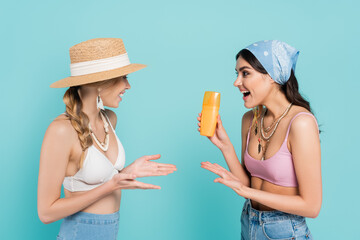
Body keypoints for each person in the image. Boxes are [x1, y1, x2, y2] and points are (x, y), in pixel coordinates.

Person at [38, 38, 177, 239]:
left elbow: (107, 179)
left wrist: (128, 172)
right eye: (124, 77)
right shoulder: (61, 131)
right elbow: (46, 212)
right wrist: (111, 186)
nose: (128, 86)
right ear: (100, 84)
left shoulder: (109, 119)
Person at [198, 40, 321, 239]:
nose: (236, 82)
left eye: (245, 73)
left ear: (272, 76)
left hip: (285, 229)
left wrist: (247, 192)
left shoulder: (301, 123)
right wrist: (225, 146)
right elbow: (249, 182)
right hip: (249, 221)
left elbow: (312, 206)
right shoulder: (250, 119)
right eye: (237, 74)